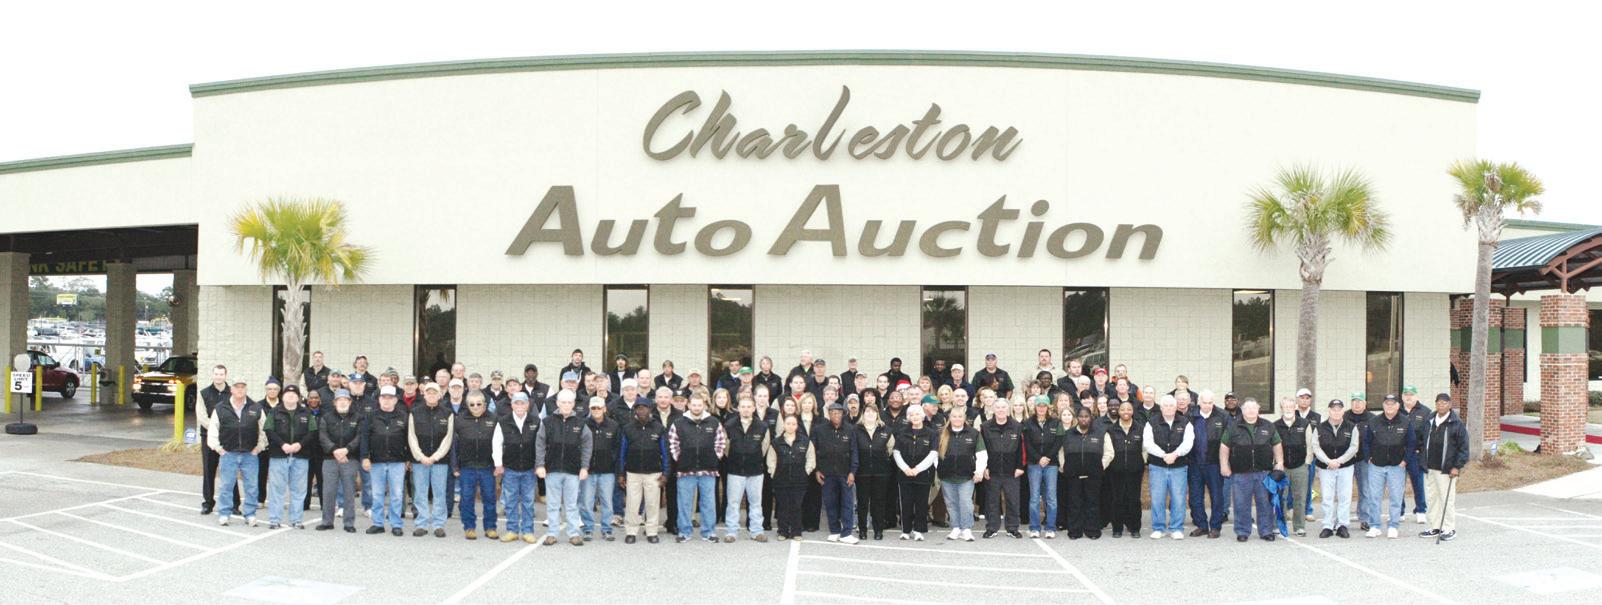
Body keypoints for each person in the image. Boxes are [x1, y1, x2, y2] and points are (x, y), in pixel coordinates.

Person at [1219, 398, 1283, 542]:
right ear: (1242, 410)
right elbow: (1224, 446)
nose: (1251, 411)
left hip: (1264, 472)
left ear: (1258, 409)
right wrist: (1224, 465)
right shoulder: (1233, 427)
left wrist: (1279, 462)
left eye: (1254, 408)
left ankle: (1266, 531)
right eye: (1247, 408)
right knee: (1241, 503)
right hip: (1240, 473)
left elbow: (1277, 444)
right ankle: (1242, 531)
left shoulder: (1268, 425)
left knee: (1265, 503)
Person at [536, 389, 593, 546]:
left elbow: (587, 446)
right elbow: (540, 445)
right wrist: (540, 465)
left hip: (573, 470)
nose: (567, 405)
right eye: (563, 402)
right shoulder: (547, 422)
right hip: (552, 469)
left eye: (569, 402)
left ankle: (574, 533)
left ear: (573, 403)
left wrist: (584, 467)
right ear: (557, 403)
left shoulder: (581, 423)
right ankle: (552, 533)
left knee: (572, 504)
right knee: (553, 504)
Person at [669, 393, 727, 542]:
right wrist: (680, 458)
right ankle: (684, 532)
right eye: (694, 405)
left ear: (704, 405)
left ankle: (709, 532)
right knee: (684, 503)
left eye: (699, 405)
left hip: (708, 470)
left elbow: (721, 442)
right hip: (685, 470)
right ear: (688, 405)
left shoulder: (714, 422)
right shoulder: (678, 423)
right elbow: (673, 443)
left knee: (708, 503)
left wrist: (715, 457)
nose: (696, 408)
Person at [210, 377, 266, 527]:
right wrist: (218, 448)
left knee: (252, 487)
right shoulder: (221, 408)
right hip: (228, 454)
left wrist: (258, 447)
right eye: (237, 387)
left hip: (250, 455)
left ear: (246, 389)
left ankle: (250, 514)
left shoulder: (256, 408)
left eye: (243, 387)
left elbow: (264, 430)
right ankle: (224, 514)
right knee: (226, 486)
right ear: (231, 389)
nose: (240, 390)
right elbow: (213, 430)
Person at [1360, 394, 1415, 539]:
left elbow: (1411, 443)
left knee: (1396, 497)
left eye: (1392, 404)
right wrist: (1368, 458)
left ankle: (1393, 526)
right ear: (1383, 405)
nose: (1389, 406)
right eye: (1387, 403)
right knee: (1374, 497)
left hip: (1397, 466)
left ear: (1398, 406)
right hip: (1376, 466)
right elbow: (1366, 442)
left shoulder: (1406, 421)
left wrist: (1405, 461)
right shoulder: (1374, 421)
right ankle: (1375, 526)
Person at [264, 385, 317, 530]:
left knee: (299, 490)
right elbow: (269, 430)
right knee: (277, 489)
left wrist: (300, 444)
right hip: (279, 456)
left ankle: (296, 520)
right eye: (288, 394)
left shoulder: (306, 413)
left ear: (298, 397)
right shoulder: (274, 412)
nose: (291, 397)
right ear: (283, 396)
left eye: (294, 395)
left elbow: (312, 432)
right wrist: (282, 444)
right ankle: (275, 520)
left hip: (300, 456)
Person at [407, 381, 455, 538]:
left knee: (439, 493)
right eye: (429, 392)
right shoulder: (414, 412)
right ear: (424, 394)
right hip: (420, 461)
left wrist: (435, 457)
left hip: (440, 461)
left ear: (440, 395)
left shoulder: (448, 413)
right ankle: (421, 524)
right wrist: (420, 456)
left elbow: (448, 438)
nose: (432, 395)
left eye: (435, 392)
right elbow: (411, 437)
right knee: (420, 493)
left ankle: (438, 525)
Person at [361, 385, 410, 536]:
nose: (387, 400)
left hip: (397, 461)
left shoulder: (403, 416)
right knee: (377, 494)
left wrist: (408, 459)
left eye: (390, 398)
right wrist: (365, 457)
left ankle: (396, 524)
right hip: (377, 461)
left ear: (395, 400)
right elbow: (364, 438)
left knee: (397, 494)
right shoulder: (371, 416)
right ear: (379, 399)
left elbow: (409, 439)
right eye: (384, 397)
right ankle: (378, 523)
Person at [1419, 393, 1468, 542]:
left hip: (1447, 470)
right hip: (1430, 467)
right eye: (1439, 403)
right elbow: (1422, 440)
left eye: (1444, 403)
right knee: (1432, 499)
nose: (1441, 405)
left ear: (1450, 405)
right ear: (1436, 404)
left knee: (1447, 500)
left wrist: (1456, 467)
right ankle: (1435, 526)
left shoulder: (1456, 423)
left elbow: (1463, 448)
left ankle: (1449, 528)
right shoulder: (1429, 420)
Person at [1143, 395, 1192, 540]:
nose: (1169, 408)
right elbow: (1148, 443)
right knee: (1157, 498)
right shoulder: (1151, 423)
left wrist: (1175, 454)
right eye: (1166, 405)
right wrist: (1163, 455)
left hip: (1179, 467)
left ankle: (1176, 528)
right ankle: (1158, 528)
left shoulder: (1185, 422)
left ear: (1176, 407)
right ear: (1161, 407)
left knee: (1179, 498)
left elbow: (1188, 442)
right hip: (1157, 466)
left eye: (1171, 405)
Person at [452, 391, 499, 540]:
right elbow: (454, 445)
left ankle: (490, 527)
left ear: (484, 404)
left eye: (479, 403)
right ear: (467, 405)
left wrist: (499, 464)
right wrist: (455, 466)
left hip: (488, 466)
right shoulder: (460, 420)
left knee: (490, 498)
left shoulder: (494, 419)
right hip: (467, 466)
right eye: (472, 404)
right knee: (466, 498)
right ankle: (469, 527)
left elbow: (500, 444)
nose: (476, 407)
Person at [723, 395, 770, 542]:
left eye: (749, 407)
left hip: (755, 470)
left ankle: (757, 531)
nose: (746, 409)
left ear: (754, 408)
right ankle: (731, 532)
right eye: (743, 406)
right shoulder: (729, 425)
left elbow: (764, 446)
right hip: (735, 470)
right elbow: (725, 446)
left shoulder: (762, 426)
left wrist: (753, 457)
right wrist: (736, 457)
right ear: (738, 408)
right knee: (733, 502)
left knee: (756, 502)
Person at [813, 398, 860, 544]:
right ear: (828, 414)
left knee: (847, 503)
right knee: (830, 503)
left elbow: (854, 451)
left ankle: (846, 533)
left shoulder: (850, 429)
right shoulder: (819, 430)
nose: (836, 415)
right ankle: (834, 531)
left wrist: (852, 472)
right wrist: (816, 470)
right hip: (826, 473)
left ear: (843, 414)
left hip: (845, 473)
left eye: (839, 413)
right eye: (833, 413)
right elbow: (814, 451)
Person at [495, 392, 540, 543]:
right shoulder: (503, 421)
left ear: (528, 405)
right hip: (510, 468)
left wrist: (539, 464)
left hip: (529, 468)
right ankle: (512, 530)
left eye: (523, 403)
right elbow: (497, 443)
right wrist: (498, 463)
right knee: (510, 501)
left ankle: (528, 531)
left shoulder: (536, 421)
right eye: (516, 403)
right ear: (512, 405)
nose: (520, 406)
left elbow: (541, 444)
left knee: (528, 502)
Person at [937, 405, 987, 541]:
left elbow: (982, 454)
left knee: (965, 502)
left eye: (960, 416)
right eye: (954, 416)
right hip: (946, 476)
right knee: (951, 503)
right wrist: (938, 468)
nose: (957, 419)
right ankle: (955, 528)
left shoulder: (973, 433)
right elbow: (935, 454)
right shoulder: (941, 433)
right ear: (950, 418)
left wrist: (979, 471)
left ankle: (966, 529)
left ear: (964, 418)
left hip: (966, 476)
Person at [1313, 399, 1360, 539]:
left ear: (1343, 411)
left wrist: (1339, 461)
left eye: (1339, 409)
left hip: (1345, 467)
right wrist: (1328, 461)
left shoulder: (1351, 427)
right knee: (1327, 497)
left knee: (1344, 496)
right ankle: (1327, 525)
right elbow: (1316, 447)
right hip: (1326, 467)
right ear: (1329, 410)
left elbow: (1354, 447)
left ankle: (1342, 525)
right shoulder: (1319, 428)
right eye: (1333, 409)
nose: (1336, 412)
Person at [316, 389, 361, 532]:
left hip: (350, 459)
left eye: (345, 400)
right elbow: (323, 436)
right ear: (334, 402)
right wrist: (335, 450)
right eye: (339, 400)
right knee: (328, 491)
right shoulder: (326, 417)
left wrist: (347, 450)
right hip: (330, 458)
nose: (342, 402)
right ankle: (327, 521)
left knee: (349, 492)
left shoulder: (358, 417)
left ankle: (349, 523)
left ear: (350, 402)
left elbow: (359, 437)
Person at [980, 398, 1024, 539]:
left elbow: (1022, 448)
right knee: (992, 501)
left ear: (1008, 409)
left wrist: (1020, 466)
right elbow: (981, 449)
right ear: (993, 409)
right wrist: (984, 467)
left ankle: (1012, 528)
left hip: (1012, 471)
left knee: (1013, 501)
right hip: (992, 471)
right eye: (998, 407)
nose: (1000, 410)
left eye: (1003, 407)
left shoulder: (1017, 426)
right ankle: (992, 528)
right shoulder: (985, 427)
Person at [577, 396, 620, 542]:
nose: (596, 410)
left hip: (607, 471)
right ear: (589, 409)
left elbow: (617, 448)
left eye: (599, 408)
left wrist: (613, 463)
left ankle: (607, 530)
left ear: (604, 409)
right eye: (593, 408)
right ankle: (588, 529)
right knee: (586, 502)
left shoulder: (614, 426)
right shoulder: (583, 424)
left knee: (607, 502)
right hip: (588, 470)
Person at [1187, 390, 1229, 539]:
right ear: (1199, 402)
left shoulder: (1223, 416)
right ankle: (1202, 525)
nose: (1207, 405)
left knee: (1217, 496)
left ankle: (1216, 527)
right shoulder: (1190, 415)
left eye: (1210, 402)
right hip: (1194, 463)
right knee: (1195, 497)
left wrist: (1226, 463)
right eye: (1204, 402)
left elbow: (1228, 440)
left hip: (1214, 463)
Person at [196, 364, 237, 515]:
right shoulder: (204, 393)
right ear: (212, 375)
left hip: (228, 439)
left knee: (230, 470)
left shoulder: (232, 392)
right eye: (216, 374)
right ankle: (208, 503)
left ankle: (234, 504)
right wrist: (215, 429)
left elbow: (237, 413)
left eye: (221, 374)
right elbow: (201, 416)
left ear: (225, 376)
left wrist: (226, 431)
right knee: (209, 470)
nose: (219, 377)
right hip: (208, 437)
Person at [891, 405, 937, 541]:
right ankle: (906, 530)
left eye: (917, 414)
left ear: (922, 416)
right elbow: (896, 452)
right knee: (906, 502)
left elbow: (933, 453)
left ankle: (918, 530)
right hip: (904, 474)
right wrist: (905, 468)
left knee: (921, 503)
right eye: (911, 415)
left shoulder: (931, 433)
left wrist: (918, 469)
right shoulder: (902, 432)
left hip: (924, 474)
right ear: (908, 417)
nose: (915, 417)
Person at [1021, 395, 1062, 539]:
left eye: (1044, 405)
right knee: (1034, 497)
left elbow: (1058, 442)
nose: (1041, 408)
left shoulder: (1056, 422)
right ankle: (1034, 527)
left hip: (1051, 464)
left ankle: (1050, 527)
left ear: (1048, 407)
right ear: (1035, 407)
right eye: (1039, 405)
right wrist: (1039, 458)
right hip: (1034, 464)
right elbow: (1027, 443)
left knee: (1051, 497)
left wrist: (1047, 457)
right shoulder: (1027, 423)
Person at [769, 415, 815, 541]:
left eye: (793, 424)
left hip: (799, 480)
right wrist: (774, 473)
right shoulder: (776, 442)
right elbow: (771, 460)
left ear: (797, 426)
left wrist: (806, 472)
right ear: (784, 425)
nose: (790, 426)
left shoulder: (805, 441)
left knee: (797, 506)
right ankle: (782, 532)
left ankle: (796, 532)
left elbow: (811, 459)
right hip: (781, 480)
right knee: (783, 506)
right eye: (788, 423)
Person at [1105, 400, 1146, 539]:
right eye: (1123, 409)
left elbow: (1145, 449)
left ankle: (1135, 528)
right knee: (1117, 499)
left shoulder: (1140, 428)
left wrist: (1141, 462)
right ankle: (1117, 528)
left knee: (1134, 499)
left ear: (1132, 411)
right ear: (1119, 411)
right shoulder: (1111, 429)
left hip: (1135, 470)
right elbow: (1108, 450)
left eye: (1129, 409)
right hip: (1116, 470)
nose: (1126, 412)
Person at [852, 404, 893, 540]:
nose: (870, 414)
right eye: (867, 411)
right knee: (862, 503)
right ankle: (862, 530)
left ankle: (878, 530)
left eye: (873, 411)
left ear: (877, 414)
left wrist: (883, 459)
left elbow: (891, 448)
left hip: (881, 473)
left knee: (878, 502)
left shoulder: (886, 430)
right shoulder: (855, 430)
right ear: (863, 413)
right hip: (862, 472)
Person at [1274, 398, 1313, 536]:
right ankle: (1279, 525)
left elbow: (1310, 444)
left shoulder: (1305, 424)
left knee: (1300, 497)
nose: (1288, 409)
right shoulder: (1275, 425)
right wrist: (1276, 464)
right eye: (1285, 406)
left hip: (1300, 466)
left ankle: (1299, 527)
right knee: (1280, 497)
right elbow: (1272, 445)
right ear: (1281, 408)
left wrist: (1307, 462)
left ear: (1295, 407)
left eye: (1291, 406)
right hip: (1281, 467)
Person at [1399, 385, 1431, 523]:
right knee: (1398, 484)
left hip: (1416, 454)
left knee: (1418, 483)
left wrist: (1423, 452)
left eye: (1411, 394)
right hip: (1399, 454)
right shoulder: (1396, 410)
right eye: (1406, 394)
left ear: (1416, 396)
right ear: (1402, 397)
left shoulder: (1425, 412)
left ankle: (1421, 510)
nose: (1408, 397)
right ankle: (1399, 512)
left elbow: (1428, 435)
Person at [1347, 392, 1376, 531]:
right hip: (1346, 460)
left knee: (1365, 489)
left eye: (1360, 401)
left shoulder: (1372, 418)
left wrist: (1372, 456)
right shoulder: (1344, 417)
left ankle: (1365, 518)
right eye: (1354, 401)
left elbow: (1376, 439)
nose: (1357, 404)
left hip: (1364, 459)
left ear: (1365, 403)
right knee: (1344, 491)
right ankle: (1341, 520)